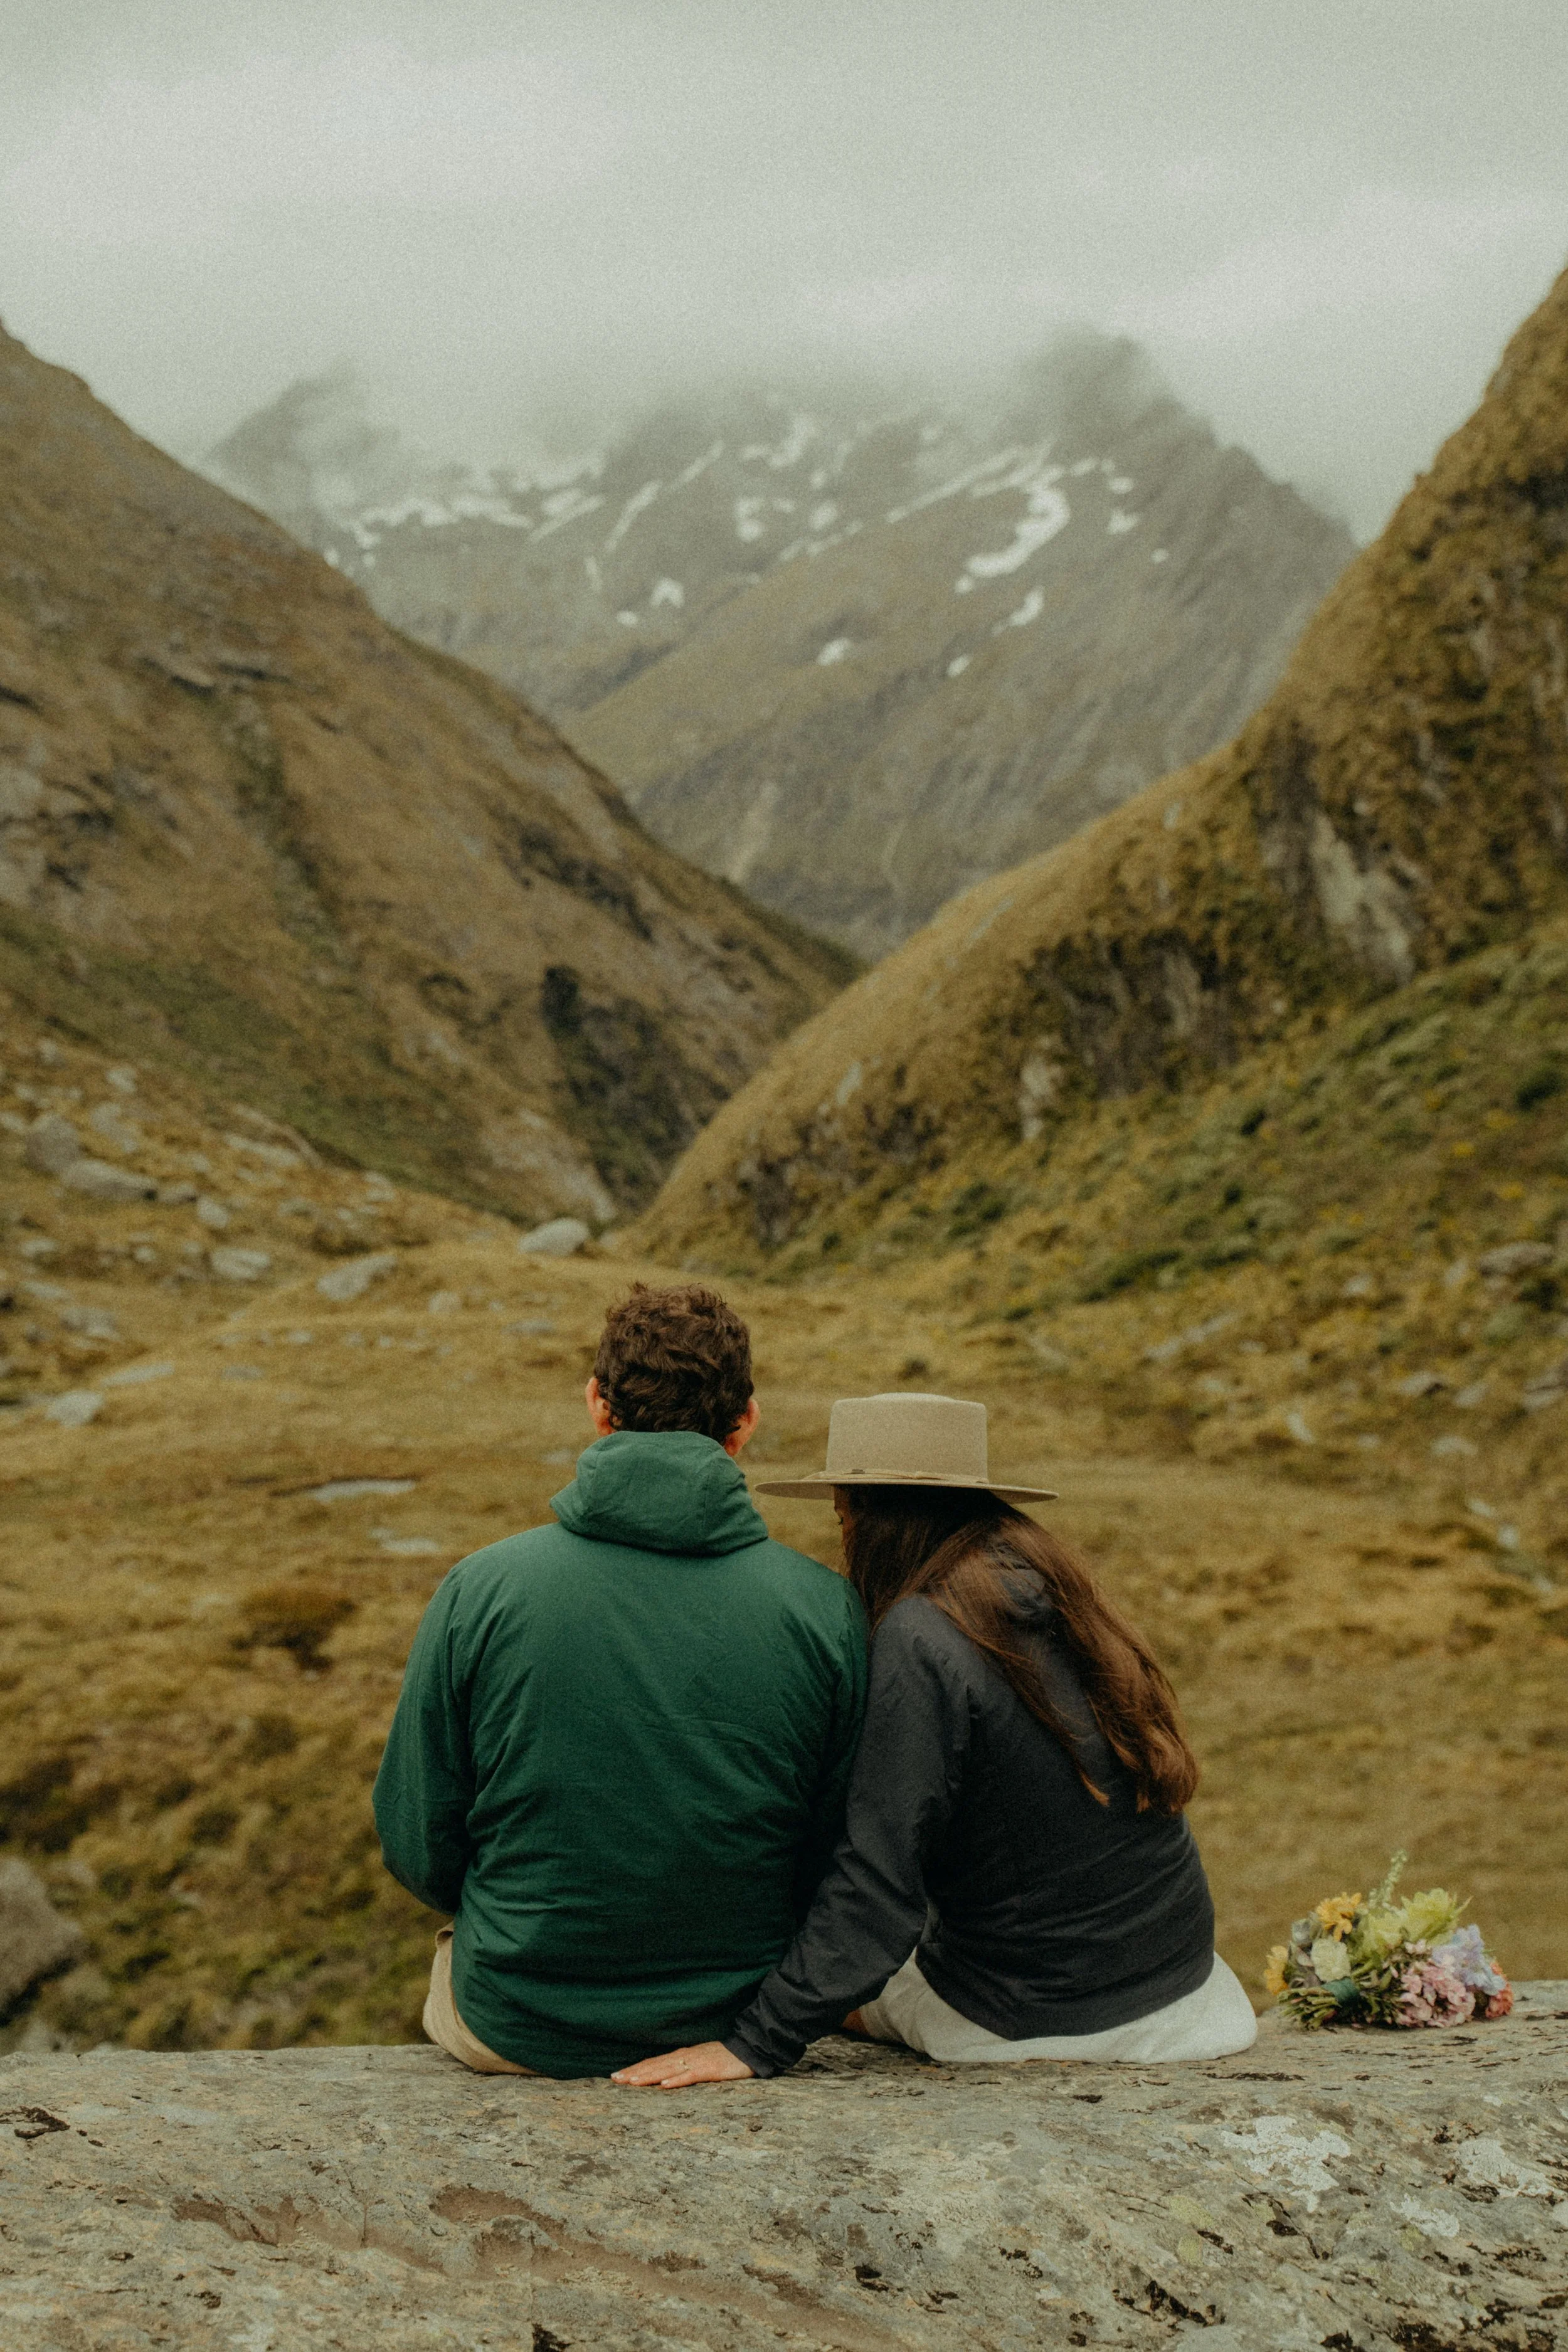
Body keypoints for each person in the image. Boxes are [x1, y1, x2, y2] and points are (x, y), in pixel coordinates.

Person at [613, 1390, 1256, 2087]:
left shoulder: (922, 1636)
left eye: (841, 1513)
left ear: (869, 1514)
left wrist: (755, 2042)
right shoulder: (1042, 1581)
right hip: (1181, 1983)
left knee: (817, 1984)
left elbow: (877, 1884)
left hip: (1044, 2009)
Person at [373, 1282, 867, 2079]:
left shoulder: (481, 1588)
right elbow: (838, 1854)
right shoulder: (827, 1611)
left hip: (515, 2025)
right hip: (741, 2025)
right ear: (745, 1421)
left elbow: (417, 1844)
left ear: (597, 1405)